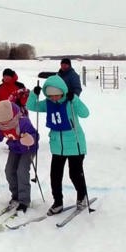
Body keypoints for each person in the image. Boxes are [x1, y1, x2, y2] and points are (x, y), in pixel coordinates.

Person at [27, 75, 90, 214]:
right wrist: (33, 94)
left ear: (62, 91)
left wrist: (75, 99)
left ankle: (82, 196)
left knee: (75, 174)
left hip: (75, 144)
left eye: (56, 95)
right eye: (50, 96)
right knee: (55, 176)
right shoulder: (48, 103)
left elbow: (85, 113)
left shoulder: (70, 102)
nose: (54, 98)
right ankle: (58, 202)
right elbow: (31, 106)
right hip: (57, 146)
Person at [0, 100, 39, 213]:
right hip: (15, 148)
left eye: (7, 122)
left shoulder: (23, 122)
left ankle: (24, 200)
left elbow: (35, 135)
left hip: (28, 149)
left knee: (22, 171)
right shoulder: (0, 123)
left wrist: (30, 139)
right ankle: (16, 196)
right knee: (9, 171)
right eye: (2, 123)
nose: (4, 125)